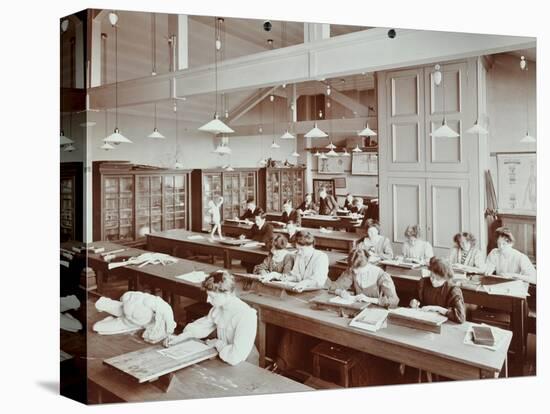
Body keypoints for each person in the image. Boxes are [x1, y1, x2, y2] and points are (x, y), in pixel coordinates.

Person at [163, 271, 258, 365]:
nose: (208, 300)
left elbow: (235, 356)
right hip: (225, 356)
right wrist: (178, 338)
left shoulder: (246, 315)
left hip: (245, 362)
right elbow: (200, 328)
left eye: (212, 297)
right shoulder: (219, 308)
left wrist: (217, 343)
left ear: (227, 294)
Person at [327, 248, 399, 308]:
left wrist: (369, 299)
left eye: (358, 270)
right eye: (353, 269)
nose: (355, 272)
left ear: (367, 265)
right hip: (358, 308)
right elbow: (333, 287)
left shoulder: (381, 275)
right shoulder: (352, 270)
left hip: (377, 310)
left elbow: (394, 302)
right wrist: (340, 292)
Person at [410, 257, 466, 323]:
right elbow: (415, 299)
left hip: (444, 325)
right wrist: (413, 302)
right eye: (431, 276)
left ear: (446, 279)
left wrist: (437, 309)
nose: (433, 281)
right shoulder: (423, 282)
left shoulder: (453, 290)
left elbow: (460, 317)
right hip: (423, 320)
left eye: (438, 279)